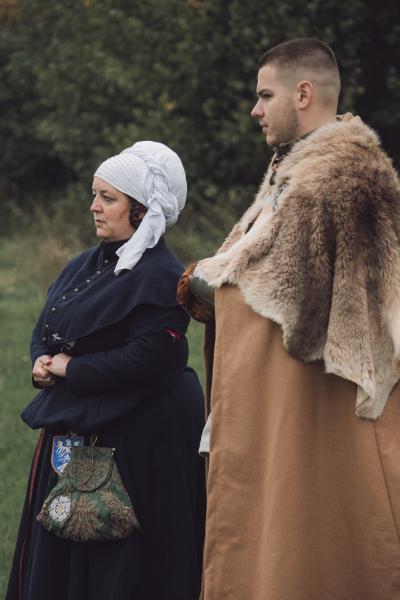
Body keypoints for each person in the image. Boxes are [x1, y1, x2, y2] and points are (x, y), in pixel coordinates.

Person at [179, 39, 400, 599]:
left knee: (315, 538)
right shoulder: (294, 172)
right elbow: (258, 262)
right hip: (292, 396)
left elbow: (292, 299)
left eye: (264, 95)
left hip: (323, 401)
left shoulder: (340, 177)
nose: (255, 110)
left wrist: (204, 281)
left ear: (303, 94)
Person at [7, 141, 206, 600]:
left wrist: (71, 368)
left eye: (107, 197)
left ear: (141, 209)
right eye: (94, 194)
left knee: (123, 571)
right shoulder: (84, 265)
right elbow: (48, 325)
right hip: (74, 430)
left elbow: (150, 358)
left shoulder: (161, 276)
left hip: (139, 442)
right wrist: (42, 362)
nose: (93, 206)